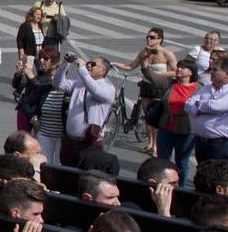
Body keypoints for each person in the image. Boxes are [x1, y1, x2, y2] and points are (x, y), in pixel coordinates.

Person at [115, 27, 176, 156]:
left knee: (156, 117)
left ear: (160, 39)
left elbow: (177, 70)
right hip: (146, 87)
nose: (149, 39)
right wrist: (113, 63)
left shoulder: (166, 53)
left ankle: (156, 146)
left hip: (159, 88)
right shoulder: (144, 52)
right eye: (147, 37)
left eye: (152, 37)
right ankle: (150, 143)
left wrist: (163, 74)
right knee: (148, 117)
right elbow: (131, 66)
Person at [185, 57, 228, 164]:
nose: (211, 72)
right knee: (202, 176)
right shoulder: (206, 88)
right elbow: (188, 105)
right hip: (202, 142)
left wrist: (199, 105)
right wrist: (202, 107)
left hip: (222, 145)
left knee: (217, 177)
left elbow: (217, 106)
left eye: (215, 70)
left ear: (227, 73)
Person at [54, 54, 114, 166]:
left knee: (84, 176)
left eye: (93, 64)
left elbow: (95, 91)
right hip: (70, 140)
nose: (89, 66)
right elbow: (59, 84)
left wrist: (82, 69)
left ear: (103, 70)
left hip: (89, 142)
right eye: (88, 63)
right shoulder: (79, 84)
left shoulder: (107, 88)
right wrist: (65, 64)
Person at [157, 60, 199, 183]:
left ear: (191, 72)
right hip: (166, 127)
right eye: (179, 67)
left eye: (183, 68)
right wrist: (146, 58)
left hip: (186, 130)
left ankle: (181, 187)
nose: (179, 69)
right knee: (163, 160)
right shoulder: (170, 83)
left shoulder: (199, 88)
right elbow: (152, 76)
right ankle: (163, 183)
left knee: (182, 161)